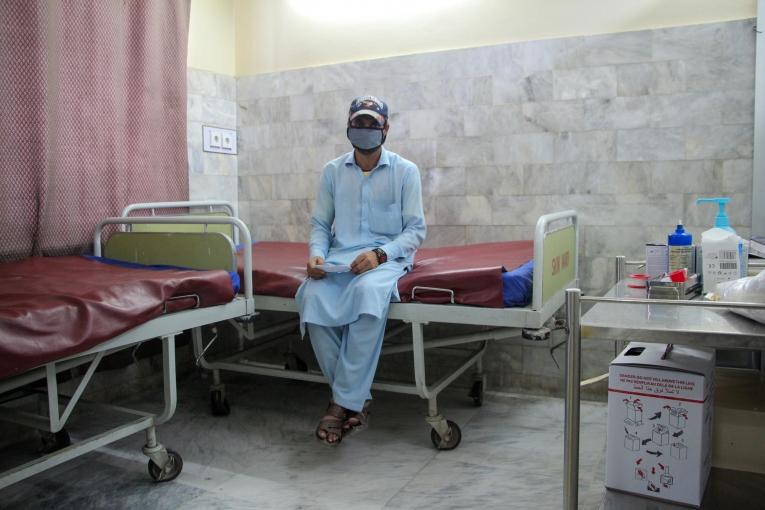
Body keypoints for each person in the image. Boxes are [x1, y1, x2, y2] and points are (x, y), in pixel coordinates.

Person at [296, 95, 426, 446]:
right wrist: (317, 255)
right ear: (348, 126)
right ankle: (357, 397)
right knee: (311, 297)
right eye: (359, 123)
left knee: (368, 294)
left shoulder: (405, 171)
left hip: (387, 260)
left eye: (372, 124)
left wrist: (381, 254)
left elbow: (415, 231)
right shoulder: (333, 171)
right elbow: (321, 224)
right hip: (341, 258)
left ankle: (341, 403)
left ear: (386, 128)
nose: (365, 130)